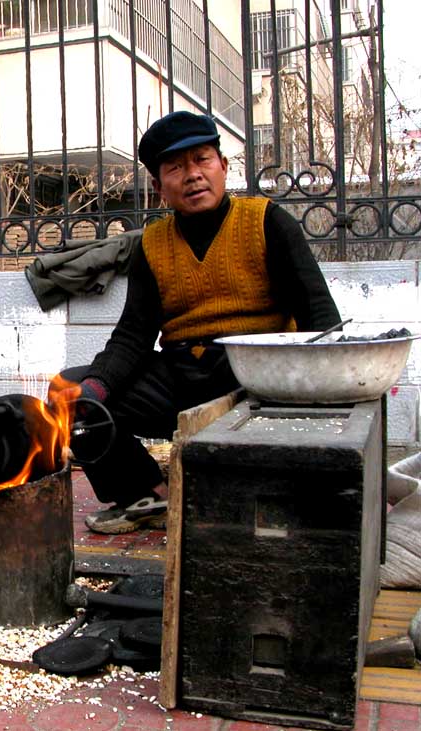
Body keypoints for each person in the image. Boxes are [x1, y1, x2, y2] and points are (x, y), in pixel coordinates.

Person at [52, 110, 341, 534]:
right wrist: (93, 389)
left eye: (202, 160)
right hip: (182, 375)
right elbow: (133, 336)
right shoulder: (151, 244)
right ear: (158, 186)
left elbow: (320, 317)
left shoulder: (267, 221)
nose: (192, 175)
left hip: (253, 374)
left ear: (223, 167)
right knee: (71, 395)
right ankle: (149, 497)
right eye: (175, 167)